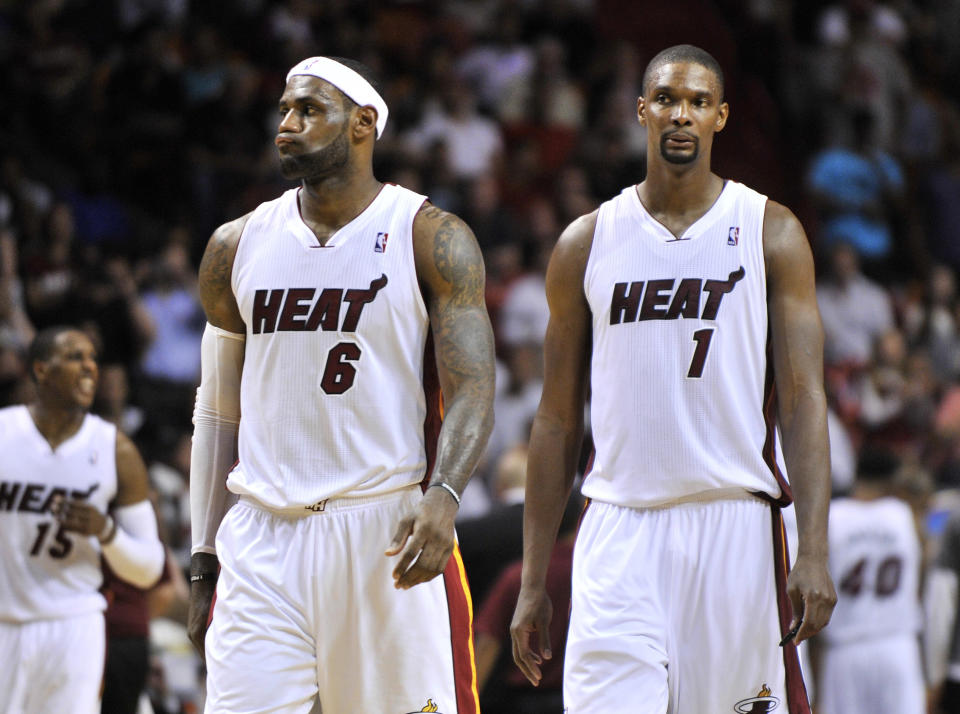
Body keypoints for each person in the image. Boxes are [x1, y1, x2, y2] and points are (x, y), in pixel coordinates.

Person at [510, 45, 837, 714]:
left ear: (720, 116)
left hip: (733, 526)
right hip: (619, 529)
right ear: (641, 112)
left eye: (695, 102)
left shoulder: (770, 231)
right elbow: (556, 419)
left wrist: (813, 548)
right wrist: (534, 577)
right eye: (665, 99)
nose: (680, 114)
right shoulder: (586, 242)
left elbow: (804, 401)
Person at [187, 56, 496, 714]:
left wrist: (444, 494)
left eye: (308, 111)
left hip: (384, 531)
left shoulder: (429, 236)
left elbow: (473, 388)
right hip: (263, 539)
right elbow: (217, 414)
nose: (287, 126)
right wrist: (202, 553)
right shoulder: (234, 246)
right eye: (283, 112)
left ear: (363, 124)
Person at [0, 326, 164, 714]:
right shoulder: (4, 433)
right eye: (75, 357)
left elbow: (149, 569)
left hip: (74, 624)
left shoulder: (115, 449)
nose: (90, 367)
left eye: (93, 358)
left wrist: (105, 532)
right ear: (41, 370)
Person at [816, 449, 924, 713]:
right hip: (898, 645)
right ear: (892, 480)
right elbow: (920, 581)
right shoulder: (904, 513)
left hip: (845, 650)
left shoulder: (830, 516)